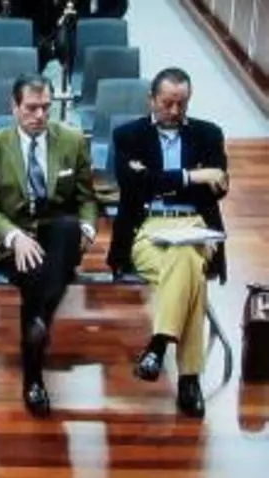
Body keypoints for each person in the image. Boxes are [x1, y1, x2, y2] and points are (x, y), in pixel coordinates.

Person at [0, 73, 97, 417]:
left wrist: (87, 226)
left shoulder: (71, 141)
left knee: (67, 227)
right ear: (14, 106)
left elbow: (86, 197)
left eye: (45, 108)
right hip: (13, 239)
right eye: (31, 108)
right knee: (37, 272)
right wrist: (13, 235)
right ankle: (33, 373)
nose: (40, 115)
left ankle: (37, 322)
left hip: (58, 236)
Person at [107, 67, 228, 419]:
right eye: (167, 103)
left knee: (186, 254)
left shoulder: (208, 134)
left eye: (181, 104)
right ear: (152, 100)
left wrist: (158, 179)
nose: (174, 111)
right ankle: (189, 379)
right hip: (146, 226)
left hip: (196, 225)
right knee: (191, 269)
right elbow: (135, 186)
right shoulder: (128, 135)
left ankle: (158, 346)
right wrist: (193, 176)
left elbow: (220, 188)